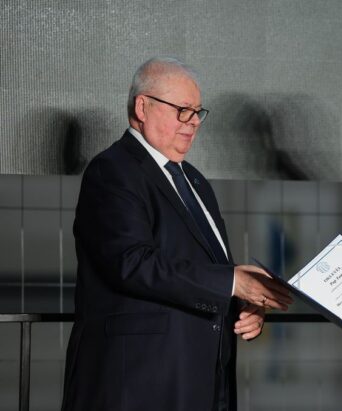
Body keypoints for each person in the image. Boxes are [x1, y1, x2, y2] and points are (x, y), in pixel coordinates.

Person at [61, 57, 293, 411]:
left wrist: (243, 305)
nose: (194, 122)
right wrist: (232, 283)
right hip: (138, 384)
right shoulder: (112, 170)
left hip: (203, 379)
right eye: (183, 111)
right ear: (143, 107)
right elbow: (132, 263)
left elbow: (205, 273)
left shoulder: (195, 181)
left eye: (198, 112)